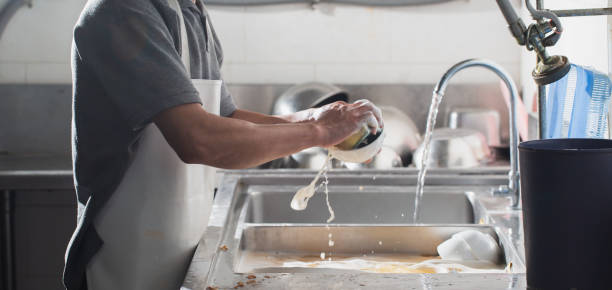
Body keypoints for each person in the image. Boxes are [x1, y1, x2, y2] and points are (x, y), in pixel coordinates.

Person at [64, 0, 383, 289]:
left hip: (182, 249)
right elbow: (199, 140)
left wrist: (316, 118)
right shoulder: (123, 11)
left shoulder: (190, 10)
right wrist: (318, 132)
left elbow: (225, 118)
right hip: (127, 260)